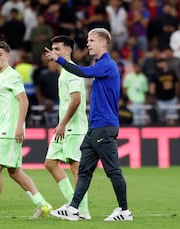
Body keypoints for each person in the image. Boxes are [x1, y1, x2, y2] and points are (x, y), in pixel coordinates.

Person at [45, 27, 133, 221]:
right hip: (94, 128)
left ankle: (124, 210)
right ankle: (74, 209)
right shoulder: (102, 65)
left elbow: (81, 71)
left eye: (91, 41)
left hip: (104, 126)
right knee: (84, 171)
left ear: (103, 42)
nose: (88, 44)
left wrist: (59, 59)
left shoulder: (107, 65)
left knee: (112, 171)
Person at [0, 41, 52, 220]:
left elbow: (24, 100)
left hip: (9, 131)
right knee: (15, 172)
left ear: (8, 56)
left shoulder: (12, 76)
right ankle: (43, 205)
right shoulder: (0, 78)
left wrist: (19, 126)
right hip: (5, 130)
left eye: (0, 54)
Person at [44, 35, 90, 220]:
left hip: (74, 127)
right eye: (52, 49)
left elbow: (76, 99)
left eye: (58, 49)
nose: (54, 52)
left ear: (68, 51)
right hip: (64, 127)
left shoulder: (72, 72)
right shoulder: (64, 71)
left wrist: (62, 123)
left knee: (76, 168)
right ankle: (73, 204)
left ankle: (82, 211)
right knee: (50, 163)